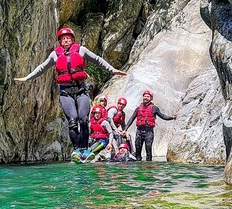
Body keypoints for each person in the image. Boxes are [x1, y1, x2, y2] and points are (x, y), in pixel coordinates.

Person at [14, 27, 126, 160]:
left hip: (81, 91)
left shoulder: (81, 50)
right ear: (60, 42)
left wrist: (112, 70)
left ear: (73, 40)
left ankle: (85, 150)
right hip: (65, 93)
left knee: (83, 120)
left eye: (68, 38)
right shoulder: (55, 55)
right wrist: (27, 78)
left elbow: (97, 60)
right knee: (72, 121)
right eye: (63, 39)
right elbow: (42, 68)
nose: (66, 40)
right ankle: (77, 150)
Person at [125, 90, 177, 161]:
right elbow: (131, 119)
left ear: (151, 98)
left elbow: (163, 116)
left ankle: (148, 168)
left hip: (148, 132)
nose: (145, 98)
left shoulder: (154, 108)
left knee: (148, 150)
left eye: (147, 96)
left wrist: (172, 117)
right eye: (144, 96)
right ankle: (138, 168)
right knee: (138, 150)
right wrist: (125, 129)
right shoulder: (138, 108)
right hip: (139, 131)